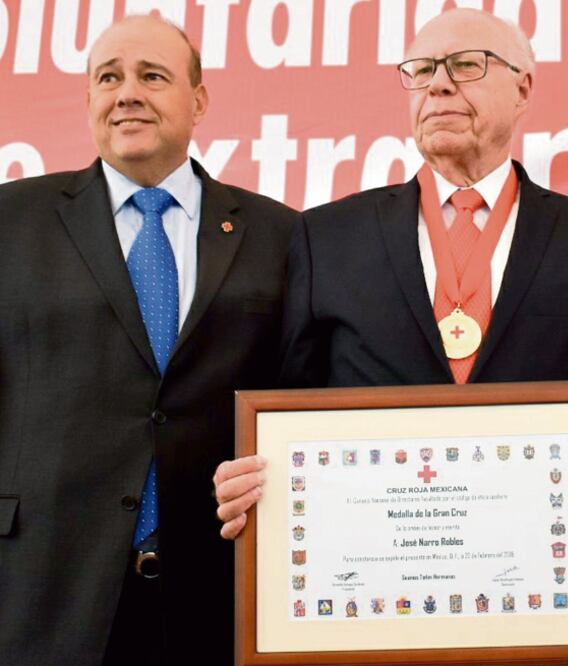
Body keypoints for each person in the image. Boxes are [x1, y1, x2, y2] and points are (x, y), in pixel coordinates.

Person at [214, 8, 568, 538]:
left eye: (466, 65)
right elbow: (289, 413)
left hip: (533, 558)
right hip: (372, 556)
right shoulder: (326, 238)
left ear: (523, 89)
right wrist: (258, 476)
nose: (438, 84)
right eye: (421, 70)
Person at [0, 15, 297, 666]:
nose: (127, 93)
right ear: (89, 99)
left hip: (221, 590)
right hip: (43, 588)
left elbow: (302, 398)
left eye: (152, 76)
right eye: (109, 78)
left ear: (199, 99)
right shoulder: (10, 221)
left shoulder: (281, 235)